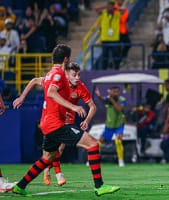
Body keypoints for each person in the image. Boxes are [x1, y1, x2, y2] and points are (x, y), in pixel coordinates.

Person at [11, 44, 119, 197]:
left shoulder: (50, 74)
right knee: (93, 144)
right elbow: (51, 92)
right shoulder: (59, 74)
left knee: (47, 157)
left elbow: (38, 82)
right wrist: (74, 108)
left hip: (47, 123)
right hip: (56, 124)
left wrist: (22, 97)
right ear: (66, 59)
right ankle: (99, 186)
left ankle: (20, 186)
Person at [13, 62, 97, 186]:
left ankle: (48, 174)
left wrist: (87, 120)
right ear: (66, 75)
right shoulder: (57, 81)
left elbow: (93, 106)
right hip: (52, 118)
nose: (77, 78)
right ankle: (53, 172)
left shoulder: (80, 87)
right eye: (74, 75)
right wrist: (22, 97)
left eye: (79, 75)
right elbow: (35, 80)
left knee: (59, 149)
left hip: (67, 119)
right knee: (49, 154)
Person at [95, 86, 126, 167]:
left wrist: (111, 99)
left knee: (118, 141)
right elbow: (103, 100)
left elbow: (119, 109)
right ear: (111, 92)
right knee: (99, 142)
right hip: (109, 125)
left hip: (119, 124)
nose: (116, 93)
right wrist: (99, 96)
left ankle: (120, 160)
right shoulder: (107, 98)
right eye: (114, 91)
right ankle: (94, 160)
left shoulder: (122, 99)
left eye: (117, 92)